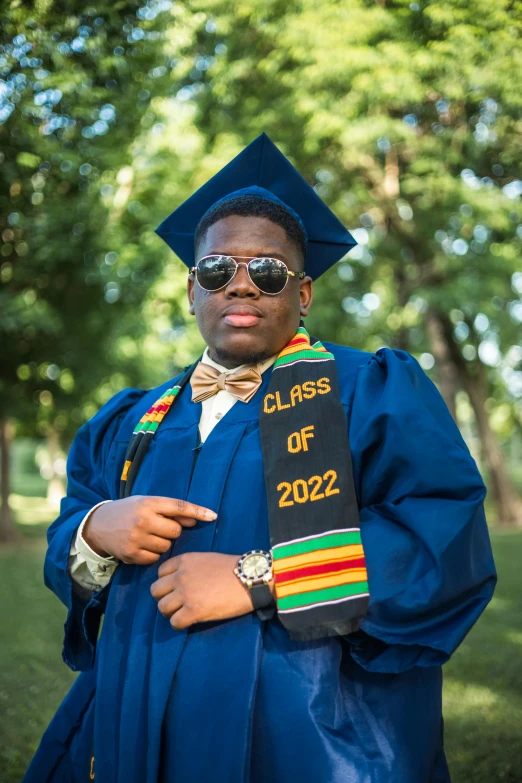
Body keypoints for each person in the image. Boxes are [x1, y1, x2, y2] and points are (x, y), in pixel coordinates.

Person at [24, 134, 496, 783]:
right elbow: (68, 533)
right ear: (193, 289)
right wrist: (95, 528)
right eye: (218, 269)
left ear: (302, 295)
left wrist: (261, 575)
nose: (240, 285)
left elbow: (441, 543)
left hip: (306, 735)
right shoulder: (129, 420)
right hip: (132, 722)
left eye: (267, 271)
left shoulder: (367, 393)